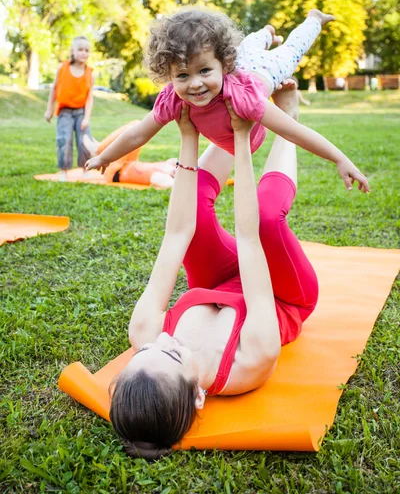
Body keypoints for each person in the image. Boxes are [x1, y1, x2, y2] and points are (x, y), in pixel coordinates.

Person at [109, 90, 325, 459]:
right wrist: (241, 140)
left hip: (220, 281)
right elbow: (251, 237)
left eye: (144, 352)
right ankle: (288, 114)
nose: (164, 340)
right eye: (173, 356)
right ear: (198, 395)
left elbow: (176, 234)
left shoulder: (144, 333)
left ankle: (234, 105)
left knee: (194, 216)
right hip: (280, 294)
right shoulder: (252, 359)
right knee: (268, 217)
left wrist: (189, 134)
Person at [85, 8, 369, 193]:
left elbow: (294, 131)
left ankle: (313, 20)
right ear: (168, 74)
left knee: (291, 51)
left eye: (204, 71)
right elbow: (138, 133)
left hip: (264, 73)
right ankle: (266, 33)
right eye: (182, 75)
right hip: (244, 60)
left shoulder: (244, 99)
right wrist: (104, 157)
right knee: (250, 46)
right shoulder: (172, 96)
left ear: (223, 64)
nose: (195, 83)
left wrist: (339, 158)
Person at [44, 36, 94, 181]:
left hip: (81, 112)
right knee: (64, 140)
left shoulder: (90, 72)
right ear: (73, 51)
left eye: (87, 50)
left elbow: (90, 98)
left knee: (84, 141)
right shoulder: (62, 67)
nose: (84, 53)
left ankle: (85, 170)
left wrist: (87, 118)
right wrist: (49, 110)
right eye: (80, 49)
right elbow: (54, 89)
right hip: (64, 111)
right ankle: (64, 172)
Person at [82, 125, 177, 188]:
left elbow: (170, 184)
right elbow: (174, 160)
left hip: (115, 170)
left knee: (135, 127)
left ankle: (98, 149)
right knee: (137, 125)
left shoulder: (162, 176)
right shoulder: (170, 167)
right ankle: (99, 148)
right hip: (129, 162)